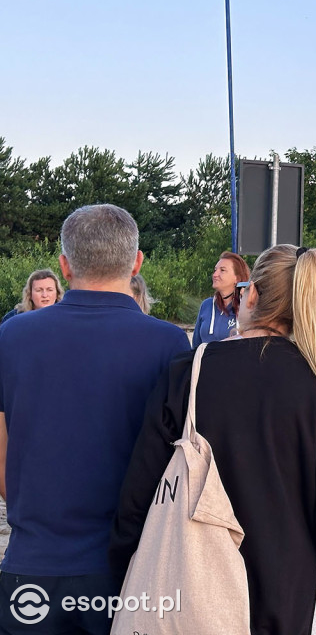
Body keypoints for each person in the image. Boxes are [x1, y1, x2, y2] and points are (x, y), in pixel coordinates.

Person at [112, 244, 316, 633]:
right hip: (289, 600)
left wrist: (124, 562)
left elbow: (141, 488)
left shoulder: (189, 373)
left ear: (251, 294)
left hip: (189, 596)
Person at [0, 204, 190, 635]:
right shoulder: (168, 343)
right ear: (137, 262)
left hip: (33, 565)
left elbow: (2, 456)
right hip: (129, 569)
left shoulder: (12, 336)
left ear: (64, 267)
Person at [192, 250, 250, 346]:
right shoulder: (207, 305)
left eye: (222, 270)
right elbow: (195, 346)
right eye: (215, 270)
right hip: (206, 360)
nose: (215, 275)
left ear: (237, 278)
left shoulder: (247, 308)